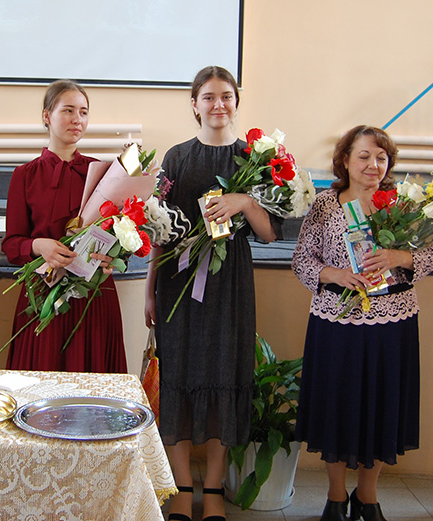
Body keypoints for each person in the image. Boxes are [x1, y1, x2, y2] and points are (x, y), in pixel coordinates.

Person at [144, 65, 279, 521]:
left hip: (230, 285)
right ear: (194, 104)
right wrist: (150, 291)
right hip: (178, 283)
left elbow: (270, 233)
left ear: (236, 103)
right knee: (178, 375)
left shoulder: (254, 160)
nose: (218, 104)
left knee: (226, 374)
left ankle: (215, 488)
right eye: (208, 97)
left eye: (226, 96)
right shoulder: (177, 158)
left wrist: (245, 201)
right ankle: (183, 486)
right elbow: (158, 232)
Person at [291, 125, 433, 521]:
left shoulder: (402, 204)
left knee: (382, 405)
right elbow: (302, 260)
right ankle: (336, 495)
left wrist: (398, 257)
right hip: (337, 322)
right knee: (337, 405)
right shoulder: (325, 205)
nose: (373, 164)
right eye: (364, 156)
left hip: (392, 321)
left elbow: (430, 256)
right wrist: (335, 275)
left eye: (381, 157)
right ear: (345, 160)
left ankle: (368, 495)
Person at [2, 79, 127, 373]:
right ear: (47, 116)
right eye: (68, 110)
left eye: (83, 112)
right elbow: (11, 244)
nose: (77, 119)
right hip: (44, 291)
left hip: (94, 292)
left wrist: (114, 257)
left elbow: (119, 233)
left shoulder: (104, 172)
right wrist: (39, 246)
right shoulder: (24, 175)